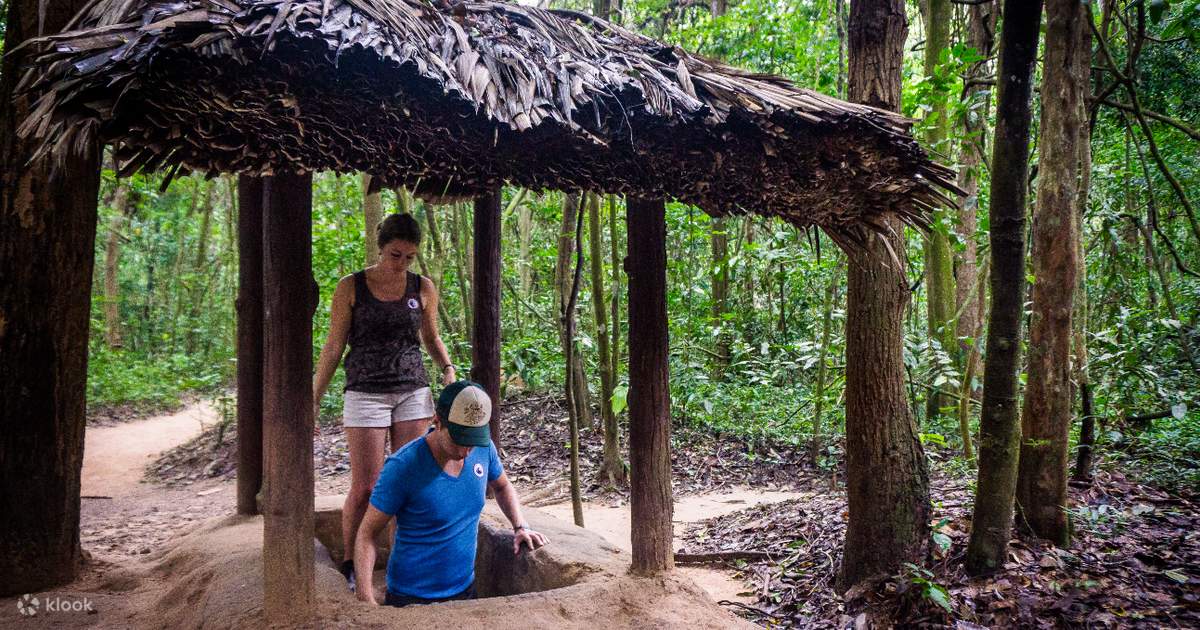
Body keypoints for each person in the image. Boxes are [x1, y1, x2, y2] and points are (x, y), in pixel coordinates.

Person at [312, 213, 457, 590]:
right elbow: (333, 346)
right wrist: (313, 398)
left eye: (409, 257)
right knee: (367, 485)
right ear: (381, 247)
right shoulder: (352, 287)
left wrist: (448, 367)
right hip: (365, 391)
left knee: (408, 480)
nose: (401, 263)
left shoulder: (422, 287)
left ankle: (401, 561)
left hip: (412, 389)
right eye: (395, 255)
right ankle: (349, 561)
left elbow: (431, 337)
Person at [353, 381, 549, 607]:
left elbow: (503, 486)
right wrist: (365, 597)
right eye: (460, 439)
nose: (467, 450)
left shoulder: (483, 449)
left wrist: (520, 525)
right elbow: (367, 533)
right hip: (410, 598)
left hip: (465, 590)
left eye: (474, 441)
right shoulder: (402, 466)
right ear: (437, 422)